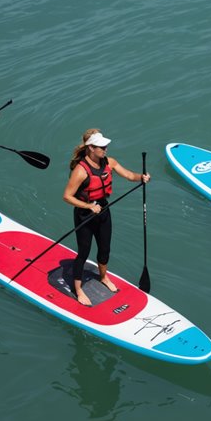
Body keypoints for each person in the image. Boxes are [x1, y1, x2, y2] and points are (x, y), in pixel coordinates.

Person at [62, 130, 150, 306]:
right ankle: (78, 290)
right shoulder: (80, 171)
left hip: (103, 211)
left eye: (105, 146)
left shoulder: (110, 162)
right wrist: (89, 206)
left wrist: (141, 177)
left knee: (104, 249)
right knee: (84, 252)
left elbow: (129, 175)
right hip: (84, 215)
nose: (105, 149)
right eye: (101, 147)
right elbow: (67, 196)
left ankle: (103, 277)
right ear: (91, 148)